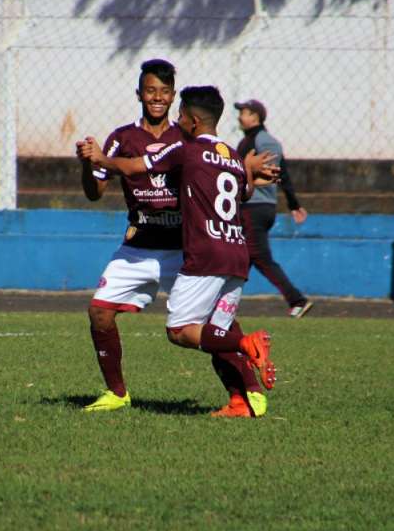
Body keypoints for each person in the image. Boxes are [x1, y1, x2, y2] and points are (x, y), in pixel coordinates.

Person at [78, 60, 266, 417]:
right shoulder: (122, 138)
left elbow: (218, 172)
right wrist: (89, 164)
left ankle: (247, 392)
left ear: (173, 96)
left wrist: (249, 171)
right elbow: (94, 191)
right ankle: (117, 393)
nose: (157, 98)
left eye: (164, 92)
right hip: (138, 247)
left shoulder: (187, 138)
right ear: (139, 93)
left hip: (183, 248)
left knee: (214, 324)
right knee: (99, 313)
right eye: (151, 90)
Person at [233, 99, 312, 319]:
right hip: (253, 206)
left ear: (255, 117)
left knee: (259, 256)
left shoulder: (263, 141)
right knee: (242, 258)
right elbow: (282, 173)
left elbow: (278, 173)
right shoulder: (248, 141)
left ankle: (297, 300)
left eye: (244, 112)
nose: (240, 116)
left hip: (255, 207)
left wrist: (294, 204)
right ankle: (222, 303)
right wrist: (293, 204)